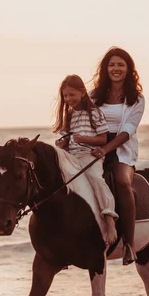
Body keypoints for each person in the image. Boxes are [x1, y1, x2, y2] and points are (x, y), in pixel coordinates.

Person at [90, 47, 145, 265]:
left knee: (122, 182)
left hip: (122, 150)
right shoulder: (94, 96)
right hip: (95, 147)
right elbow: (82, 119)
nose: (116, 68)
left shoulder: (136, 98)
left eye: (121, 64)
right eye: (112, 64)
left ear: (128, 69)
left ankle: (129, 245)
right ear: (105, 69)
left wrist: (107, 148)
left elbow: (128, 130)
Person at [53, 74, 118, 246]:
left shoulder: (94, 113)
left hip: (90, 155)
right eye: (65, 96)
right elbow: (67, 140)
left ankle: (109, 219)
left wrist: (84, 140)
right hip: (72, 157)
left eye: (71, 95)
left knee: (96, 179)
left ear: (82, 93)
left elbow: (103, 139)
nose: (68, 99)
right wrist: (62, 143)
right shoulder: (68, 116)